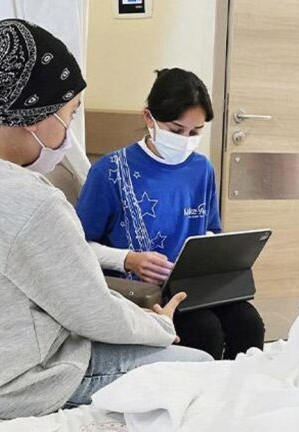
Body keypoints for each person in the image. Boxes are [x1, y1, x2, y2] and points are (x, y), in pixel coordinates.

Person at [0, 20, 211, 420]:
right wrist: (159, 325)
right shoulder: (31, 201)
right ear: (35, 114)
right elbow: (92, 311)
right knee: (201, 368)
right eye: (70, 114)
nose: (68, 134)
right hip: (17, 386)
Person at [75, 67, 265, 360]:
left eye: (195, 132)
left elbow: (211, 230)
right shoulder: (110, 172)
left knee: (249, 324)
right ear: (148, 118)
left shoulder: (201, 169)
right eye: (176, 131)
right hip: (143, 292)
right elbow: (76, 247)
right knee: (205, 330)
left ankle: (240, 388)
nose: (185, 139)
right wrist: (127, 259)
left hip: (195, 286)